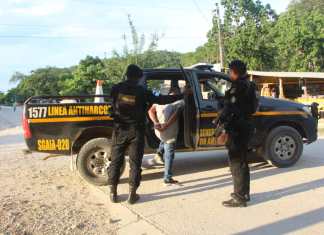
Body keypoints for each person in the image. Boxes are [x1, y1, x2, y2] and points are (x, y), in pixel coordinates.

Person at [108, 64, 183, 204]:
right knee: (135, 163)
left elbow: (113, 105)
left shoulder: (115, 89)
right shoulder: (142, 91)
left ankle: (113, 192)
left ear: (126, 75)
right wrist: (181, 95)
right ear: (138, 77)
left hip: (120, 130)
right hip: (136, 131)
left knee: (116, 161)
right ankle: (132, 194)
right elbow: (162, 99)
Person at [218, 60, 258, 207]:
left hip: (237, 129)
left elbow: (231, 110)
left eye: (230, 71)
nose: (229, 74)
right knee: (242, 162)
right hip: (245, 126)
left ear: (234, 72)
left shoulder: (238, 87)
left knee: (236, 163)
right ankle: (244, 193)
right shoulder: (250, 85)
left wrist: (223, 123)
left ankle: (239, 197)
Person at [148, 87, 184, 185]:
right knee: (169, 155)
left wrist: (156, 123)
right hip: (169, 132)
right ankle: (167, 178)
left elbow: (150, 111)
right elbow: (175, 116)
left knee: (163, 139)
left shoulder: (159, 100)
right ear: (178, 94)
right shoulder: (179, 102)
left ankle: (158, 154)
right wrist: (165, 126)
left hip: (158, 131)